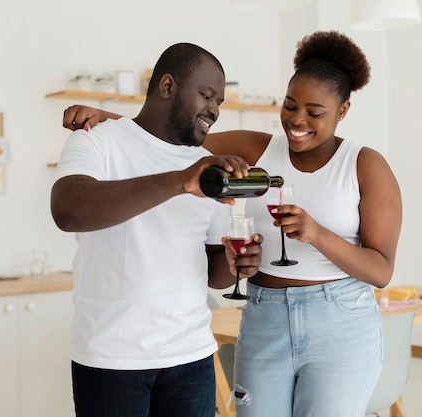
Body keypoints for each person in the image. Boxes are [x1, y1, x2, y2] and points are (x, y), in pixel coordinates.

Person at [62, 30, 403, 417]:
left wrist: (317, 235)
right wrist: (107, 119)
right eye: (290, 106)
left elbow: (381, 270)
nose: (297, 120)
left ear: (342, 111)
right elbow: (173, 136)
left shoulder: (365, 165)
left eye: (315, 112)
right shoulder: (255, 148)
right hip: (264, 313)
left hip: (339, 319)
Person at [50, 42, 264, 417]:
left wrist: (234, 262)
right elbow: (68, 211)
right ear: (167, 87)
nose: (215, 109)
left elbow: (213, 269)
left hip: (192, 356)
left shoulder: (204, 164)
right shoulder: (96, 139)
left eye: (220, 102)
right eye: (207, 95)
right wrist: (180, 181)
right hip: (111, 358)